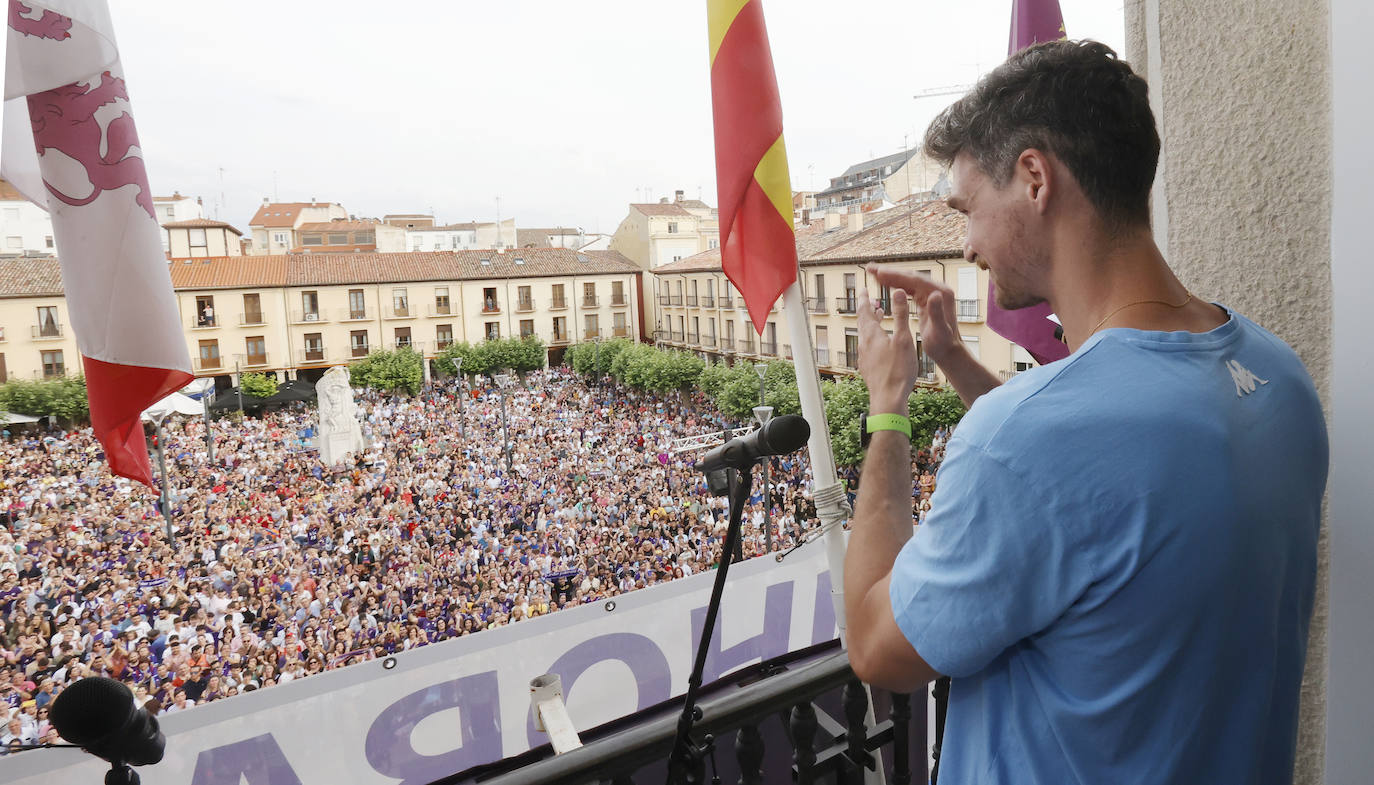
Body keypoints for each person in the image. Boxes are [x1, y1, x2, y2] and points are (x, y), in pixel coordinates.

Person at [843, 40, 1328, 785]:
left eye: (968, 208)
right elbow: (1089, 481)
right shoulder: (1279, 376)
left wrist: (888, 407)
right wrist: (955, 361)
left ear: (1035, 178)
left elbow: (877, 647)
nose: (966, 244)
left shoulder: (1023, 445)